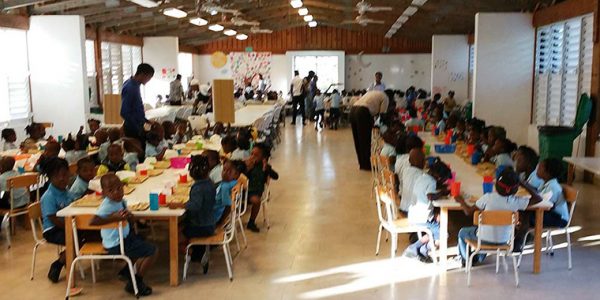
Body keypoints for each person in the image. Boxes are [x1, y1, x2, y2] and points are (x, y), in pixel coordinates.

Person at [454, 168, 542, 266]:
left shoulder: (487, 197)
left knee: (463, 232)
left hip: (483, 239)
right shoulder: (517, 202)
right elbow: (538, 198)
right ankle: (479, 256)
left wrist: (461, 201)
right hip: (504, 241)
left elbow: (468, 212)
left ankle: (466, 260)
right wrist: (523, 183)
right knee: (486, 232)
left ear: (495, 185)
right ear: (516, 188)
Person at [91, 173, 157, 296]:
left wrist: (130, 217)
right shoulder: (107, 205)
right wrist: (114, 218)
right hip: (115, 243)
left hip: (123, 238)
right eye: (111, 190)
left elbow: (127, 220)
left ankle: (126, 272)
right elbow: (93, 221)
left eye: (119, 188)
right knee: (152, 251)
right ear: (104, 193)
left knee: (141, 240)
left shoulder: (121, 201)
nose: (116, 192)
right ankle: (136, 282)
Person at [404, 158, 452, 262]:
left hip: (413, 214)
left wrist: (439, 187)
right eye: (443, 180)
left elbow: (426, 190)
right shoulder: (432, 182)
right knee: (444, 234)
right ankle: (416, 248)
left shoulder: (422, 177)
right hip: (421, 218)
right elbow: (430, 196)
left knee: (437, 226)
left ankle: (421, 250)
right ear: (438, 177)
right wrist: (442, 193)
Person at [40, 158, 76, 282]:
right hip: (52, 230)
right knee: (77, 238)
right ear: (50, 177)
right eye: (57, 176)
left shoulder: (67, 192)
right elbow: (53, 219)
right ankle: (59, 263)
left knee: (84, 235)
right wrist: (70, 227)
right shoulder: (48, 196)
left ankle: (64, 259)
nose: (62, 178)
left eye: (65, 175)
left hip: (67, 225)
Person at [181, 155, 217, 266]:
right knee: (183, 223)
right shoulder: (209, 183)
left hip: (201, 226)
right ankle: (198, 251)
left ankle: (194, 254)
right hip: (210, 222)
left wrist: (180, 205)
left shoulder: (198, 188)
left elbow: (195, 205)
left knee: (177, 234)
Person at [350, 90, 389, 170]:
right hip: (362, 112)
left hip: (353, 111)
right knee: (365, 140)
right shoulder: (385, 97)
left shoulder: (373, 92)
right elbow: (382, 114)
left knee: (358, 140)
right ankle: (366, 165)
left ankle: (362, 163)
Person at [245, 143, 279, 233]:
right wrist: (247, 168)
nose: (252, 157)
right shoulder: (248, 165)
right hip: (244, 190)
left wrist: (266, 168)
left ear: (263, 158)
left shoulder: (265, 167)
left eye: (256, 155)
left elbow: (276, 176)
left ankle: (251, 222)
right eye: (251, 154)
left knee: (257, 201)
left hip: (256, 192)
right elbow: (241, 176)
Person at [121, 63, 154, 147]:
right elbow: (124, 112)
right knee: (138, 154)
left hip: (138, 126)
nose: (149, 80)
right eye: (149, 77)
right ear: (142, 74)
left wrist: (145, 120)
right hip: (132, 129)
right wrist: (137, 127)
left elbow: (135, 108)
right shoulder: (131, 87)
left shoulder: (135, 84)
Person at [400, 148, 426, 213]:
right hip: (414, 213)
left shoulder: (405, 171)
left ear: (409, 160)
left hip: (403, 208)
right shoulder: (422, 175)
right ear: (424, 163)